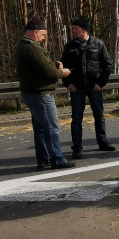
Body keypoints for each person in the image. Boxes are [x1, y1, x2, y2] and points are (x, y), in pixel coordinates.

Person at [14, 17, 75, 170]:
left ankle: (43, 159)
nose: (43, 38)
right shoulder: (32, 48)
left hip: (31, 92)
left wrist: (54, 67)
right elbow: (47, 72)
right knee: (51, 127)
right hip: (40, 93)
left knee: (40, 128)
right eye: (42, 35)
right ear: (35, 32)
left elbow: (40, 68)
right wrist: (62, 72)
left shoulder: (23, 46)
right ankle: (57, 159)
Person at [61, 15, 115, 158]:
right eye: (72, 29)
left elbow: (107, 65)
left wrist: (100, 83)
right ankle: (77, 148)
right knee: (76, 119)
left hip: (94, 87)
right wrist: (68, 84)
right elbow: (62, 67)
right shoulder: (70, 46)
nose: (73, 31)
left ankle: (103, 142)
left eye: (75, 29)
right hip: (77, 88)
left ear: (84, 29)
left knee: (99, 116)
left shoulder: (98, 44)